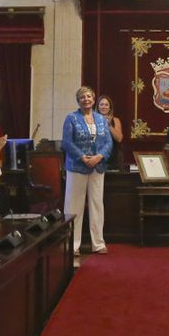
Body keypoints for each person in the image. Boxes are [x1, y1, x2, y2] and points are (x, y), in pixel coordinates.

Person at [62, 85, 112, 257]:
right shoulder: (71, 118)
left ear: (93, 98)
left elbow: (108, 143)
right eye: (82, 97)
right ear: (78, 100)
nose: (86, 99)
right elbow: (67, 143)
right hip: (77, 167)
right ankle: (73, 245)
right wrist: (83, 158)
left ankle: (98, 243)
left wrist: (99, 157)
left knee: (97, 204)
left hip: (98, 167)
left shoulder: (101, 119)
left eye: (89, 96)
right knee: (73, 206)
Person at [97, 94, 124, 170]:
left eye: (106, 105)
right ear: (98, 107)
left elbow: (119, 139)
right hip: (97, 158)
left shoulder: (116, 120)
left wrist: (109, 125)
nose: (104, 107)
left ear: (109, 108)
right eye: (101, 104)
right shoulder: (92, 120)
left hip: (113, 158)